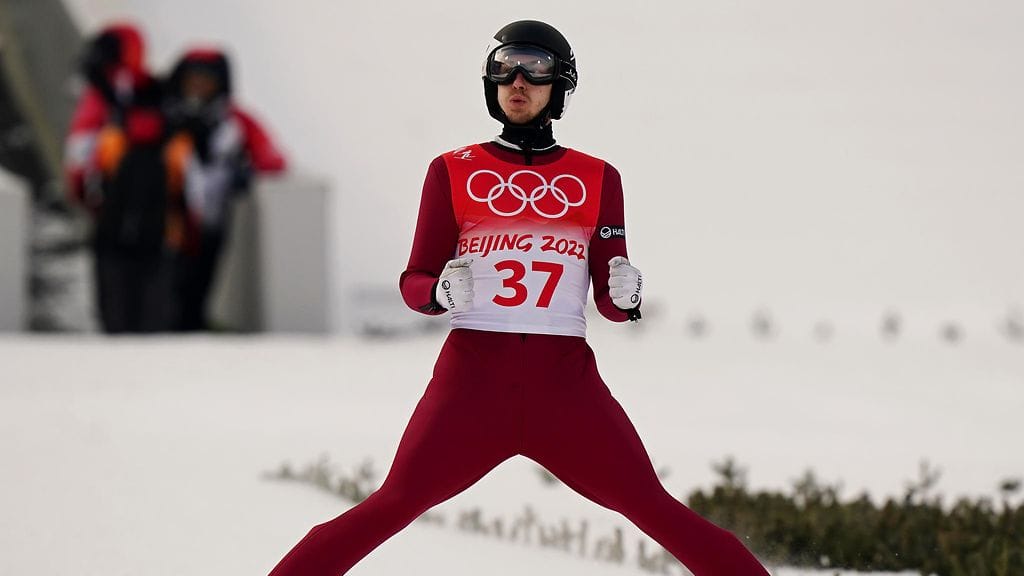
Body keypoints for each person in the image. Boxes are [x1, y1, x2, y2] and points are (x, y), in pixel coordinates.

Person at [268, 20, 769, 576]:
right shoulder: (452, 171)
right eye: (505, 68)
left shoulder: (598, 178)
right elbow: (414, 281)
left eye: (536, 68)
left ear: (562, 85)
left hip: (566, 390)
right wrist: (436, 291)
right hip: (471, 386)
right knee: (392, 504)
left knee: (654, 508)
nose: (519, 81)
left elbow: (608, 295)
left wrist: (624, 293)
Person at [162, 47, 287, 331]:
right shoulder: (165, 116)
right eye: (192, 79)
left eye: (206, 79)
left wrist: (245, 172)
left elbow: (273, 158)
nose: (198, 86)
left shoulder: (234, 122)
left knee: (199, 287)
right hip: (167, 223)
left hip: (211, 223)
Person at [64, 22, 174, 333]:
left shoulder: (106, 95)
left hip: (128, 210)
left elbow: (78, 154)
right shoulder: (147, 92)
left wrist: (83, 190)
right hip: (138, 210)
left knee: (121, 288)